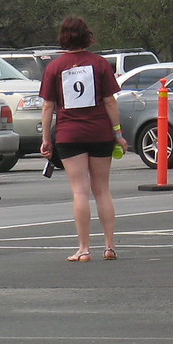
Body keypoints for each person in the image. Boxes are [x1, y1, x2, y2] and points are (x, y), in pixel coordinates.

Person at [38, 17, 127, 263]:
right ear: (87, 36)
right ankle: (110, 246)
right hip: (100, 132)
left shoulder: (55, 67)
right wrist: (118, 134)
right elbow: (110, 102)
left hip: (69, 134)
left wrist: (46, 139)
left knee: (80, 191)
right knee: (103, 190)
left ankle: (84, 248)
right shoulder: (99, 64)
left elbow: (48, 106)